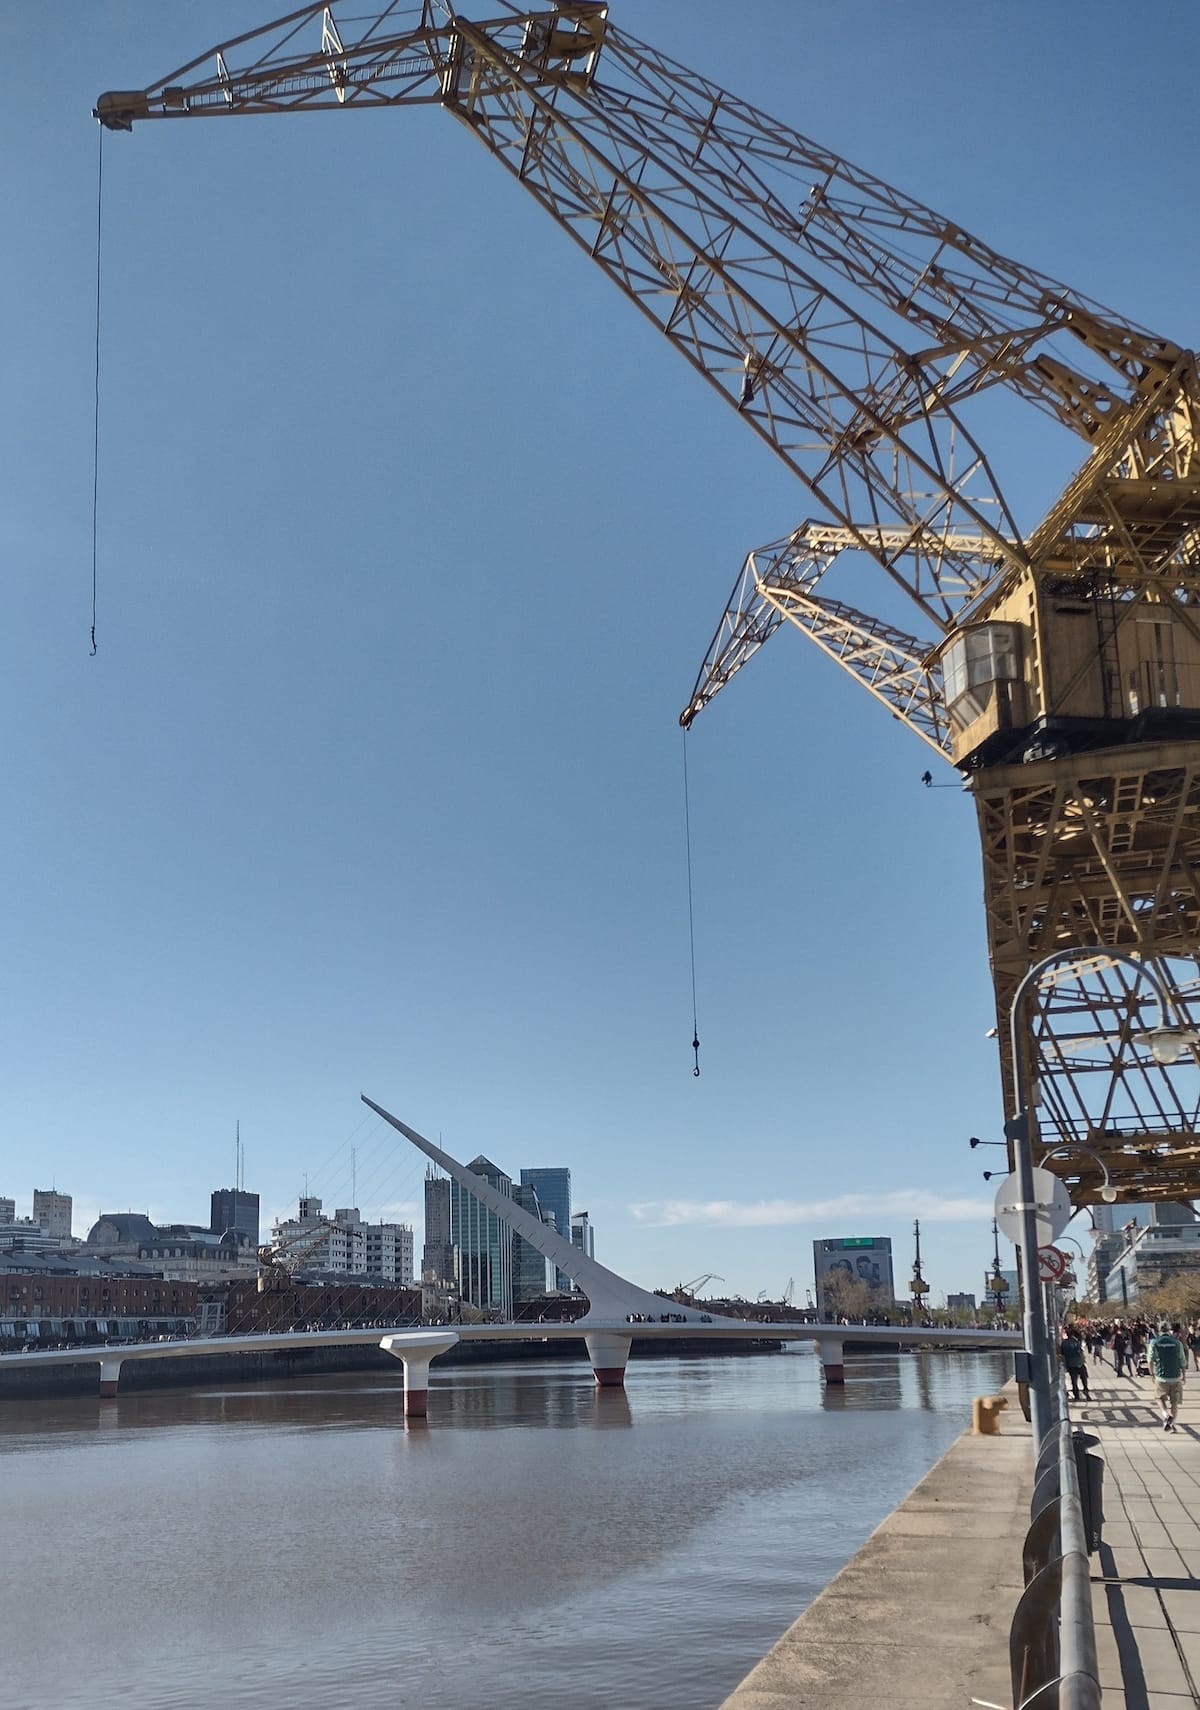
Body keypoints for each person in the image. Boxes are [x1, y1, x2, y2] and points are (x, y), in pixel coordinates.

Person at [1148, 1321, 1188, 1431]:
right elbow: (1182, 1361)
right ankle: (1172, 1423)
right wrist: (1184, 1376)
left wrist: (1152, 1374)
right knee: (1174, 1403)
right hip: (1175, 1376)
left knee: (1159, 1398)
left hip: (1161, 1376)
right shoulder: (1177, 1343)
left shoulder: (1154, 1342)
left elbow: (1150, 1360)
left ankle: (1166, 1415)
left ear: (1159, 1329)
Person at [1059, 1328, 1089, 1400]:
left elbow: (1062, 1353)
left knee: (1074, 1380)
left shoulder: (1064, 1343)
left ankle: (1076, 1395)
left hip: (1070, 1363)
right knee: (1084, 1377)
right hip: (1079, 1363)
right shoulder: (1076, 1342)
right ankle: (1085, 1390)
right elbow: (1080, 1352)